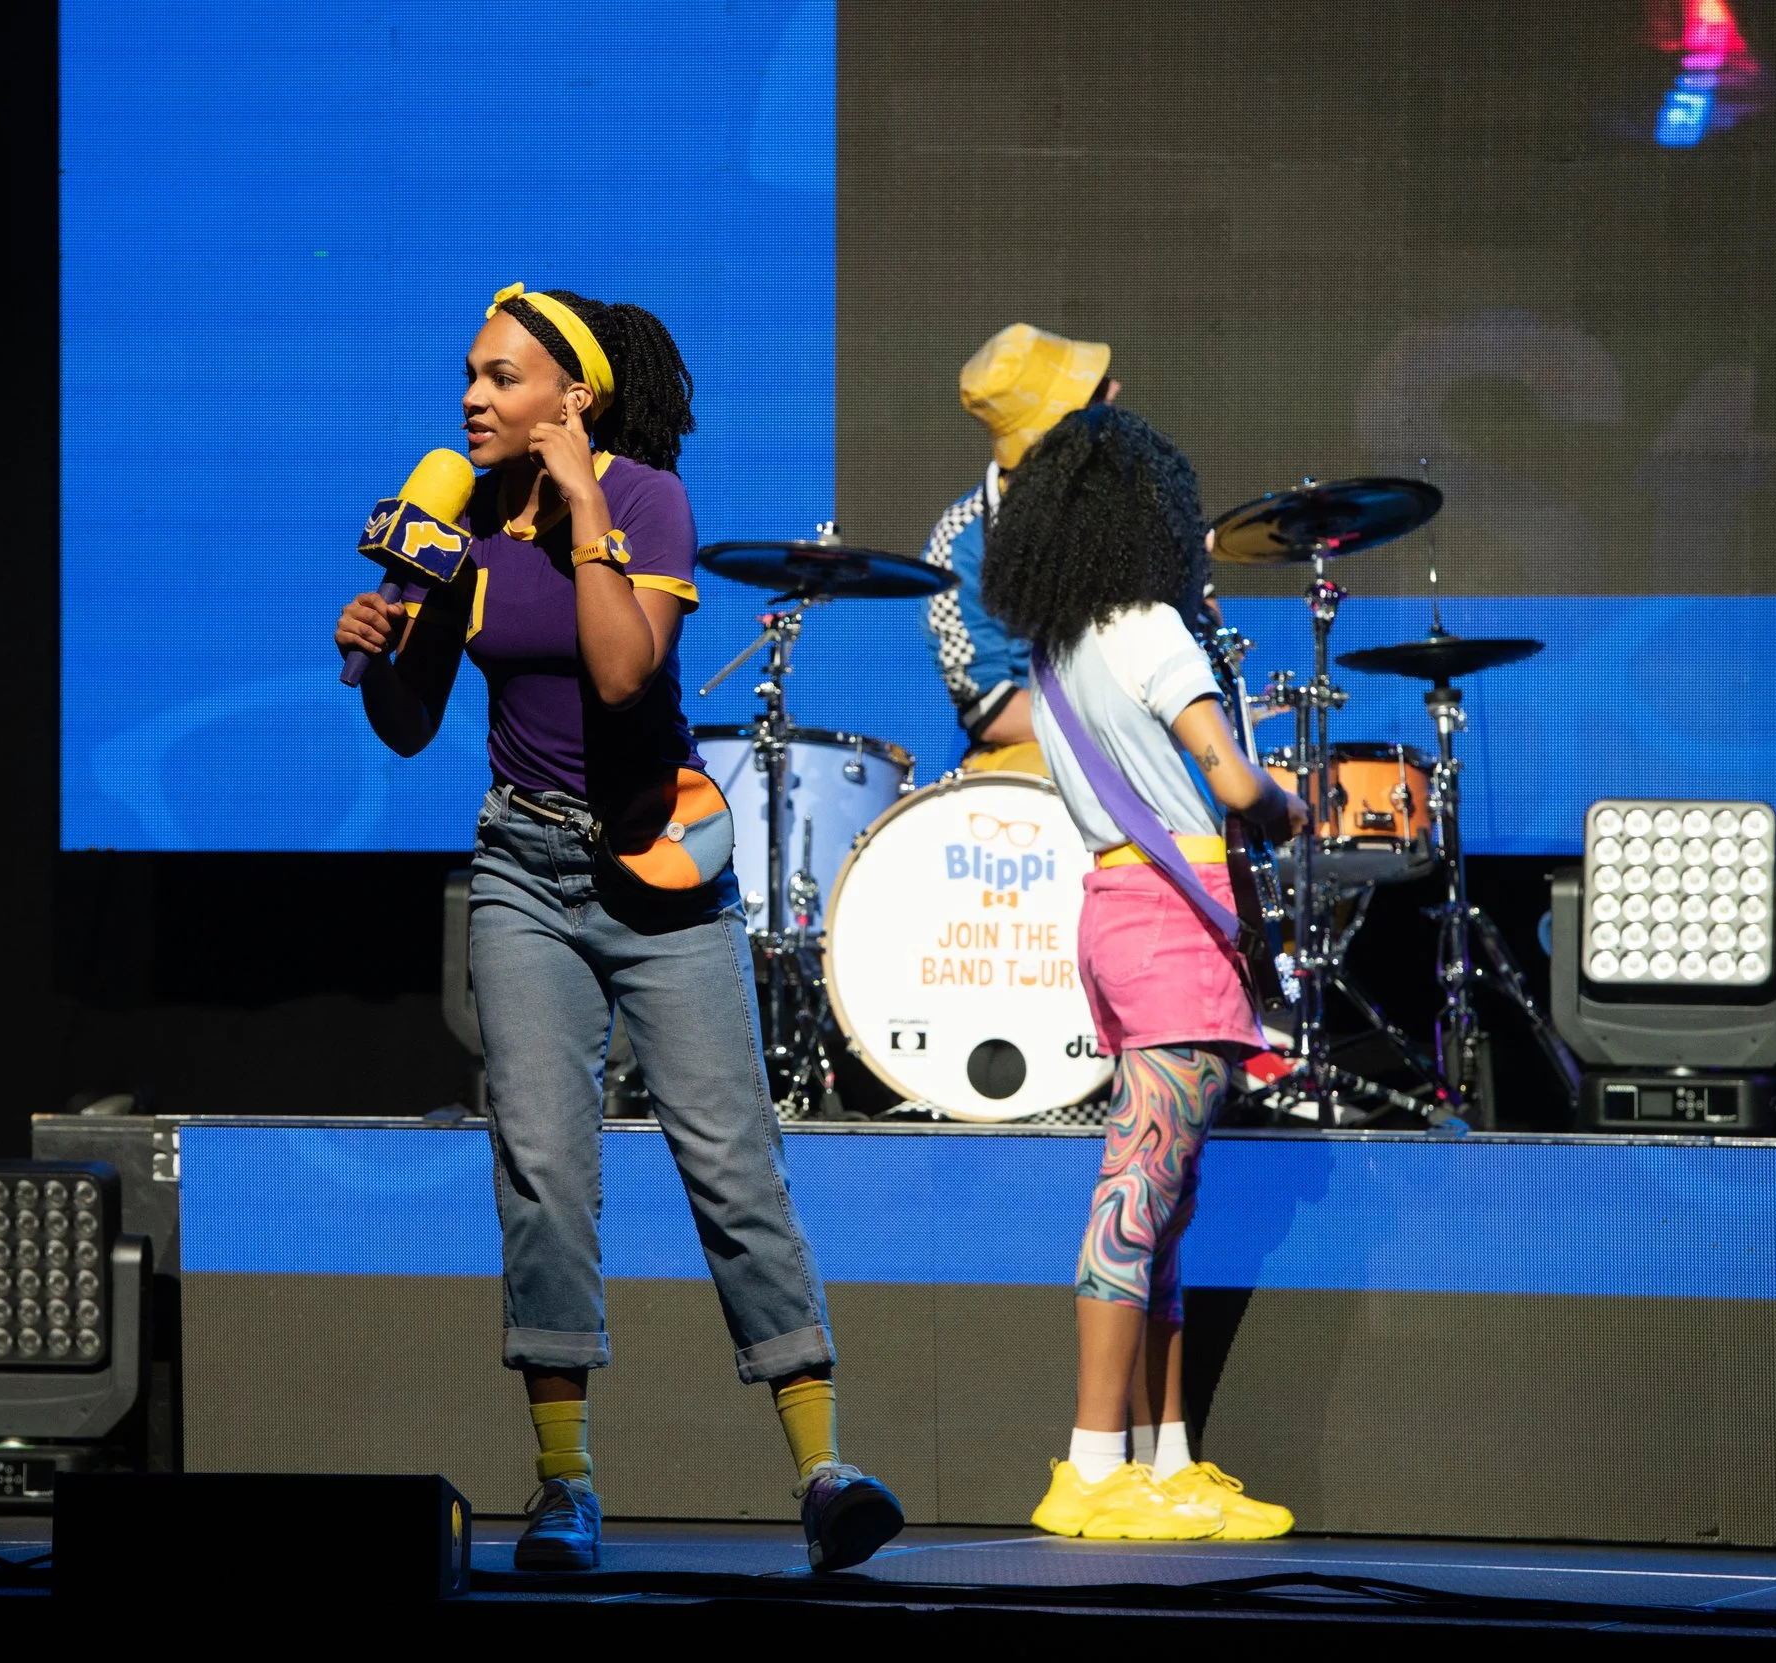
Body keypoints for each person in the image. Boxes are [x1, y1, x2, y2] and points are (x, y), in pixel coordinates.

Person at [332, 283, 904, 1574]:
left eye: (503, 376)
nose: (474, 397)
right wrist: (380, 640)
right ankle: (564, 1484)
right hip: (521, 869)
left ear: (572, 397)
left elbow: (621, 671)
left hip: (656, 874)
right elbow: (409, 724)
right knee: (541, 1166)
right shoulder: (453, 522)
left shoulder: (645, 499)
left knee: (731, 1159)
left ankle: (823, 1467)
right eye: (468, 376)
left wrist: (583, 503)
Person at [979, 402, 1308, 1542]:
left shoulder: (1058, 641)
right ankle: (1090, 1466)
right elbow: (1230, 784)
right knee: (1136, 1193)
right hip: (1173, 925)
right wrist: (1288, 800)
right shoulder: (1153, 626)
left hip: (1119, 912)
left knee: (1163, 1204)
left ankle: (1165, 1462)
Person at [920, 324, 1119, 776]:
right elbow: (991, 709)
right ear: (1053, 433)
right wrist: (1122, 721)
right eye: (1097, 392)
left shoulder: (1136, 506)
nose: (1116, 390)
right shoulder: (961, 544)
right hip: (1026, 765)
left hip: (1144, 745)